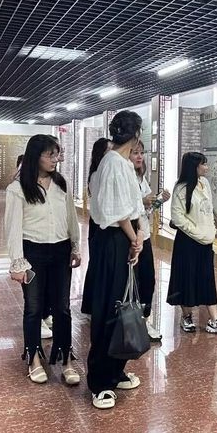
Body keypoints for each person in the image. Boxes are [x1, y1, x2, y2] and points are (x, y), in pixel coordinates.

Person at [5, 135, 81, 385]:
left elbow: (71, 217)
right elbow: (13, 228)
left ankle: (66, 358)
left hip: (60, 251)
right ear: (35, 156)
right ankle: (34, 358)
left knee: (62, 308)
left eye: (56, 154)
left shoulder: (61, 184)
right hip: (33, 252)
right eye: (50, 155)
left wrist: (75, 246)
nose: (55, 159)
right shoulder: (18, 188)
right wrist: (17, 262)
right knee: (34, 307)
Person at [86, 112, 145, 410]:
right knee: (109, 307)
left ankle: (115, 370)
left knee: (122, 304)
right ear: (136, 135)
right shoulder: (113, 162)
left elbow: (133, 208)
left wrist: (138, 236)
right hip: (113, 239)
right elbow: (119, 212)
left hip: (123, 237)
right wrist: (134, 238)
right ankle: (100, 381)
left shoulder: (120, 162)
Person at [167, 152, 217, 337]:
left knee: (207, 278)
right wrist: (197, 233)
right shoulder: (180, 188)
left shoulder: (205, 183)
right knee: (186, 278)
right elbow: (178, 218)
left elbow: (208, 211)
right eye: (203, 164)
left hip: (206, 241)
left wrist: (210, 232)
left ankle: (214, 319)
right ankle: (186, 316)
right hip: (187, 241)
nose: (207, 167)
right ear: (194, 167)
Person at [130, 141, 170, 341]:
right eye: (135, 153)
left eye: (142, 152)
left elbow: (146, 210)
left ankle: (144, 320)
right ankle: (132, 323)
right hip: (131, 237)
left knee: (148, 280)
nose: (140, 156)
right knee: (133, 282)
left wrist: (158, 200)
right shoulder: (125, 177)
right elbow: (125, 208)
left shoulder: (141, 177)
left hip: (144, 235)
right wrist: (142, 201)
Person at [81, 138, 112, 316]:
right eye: (109, 151)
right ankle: (94, 306)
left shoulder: (103, 173)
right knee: (97, 265)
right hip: (100, 224)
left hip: (103, 223)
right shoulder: (97, 175)